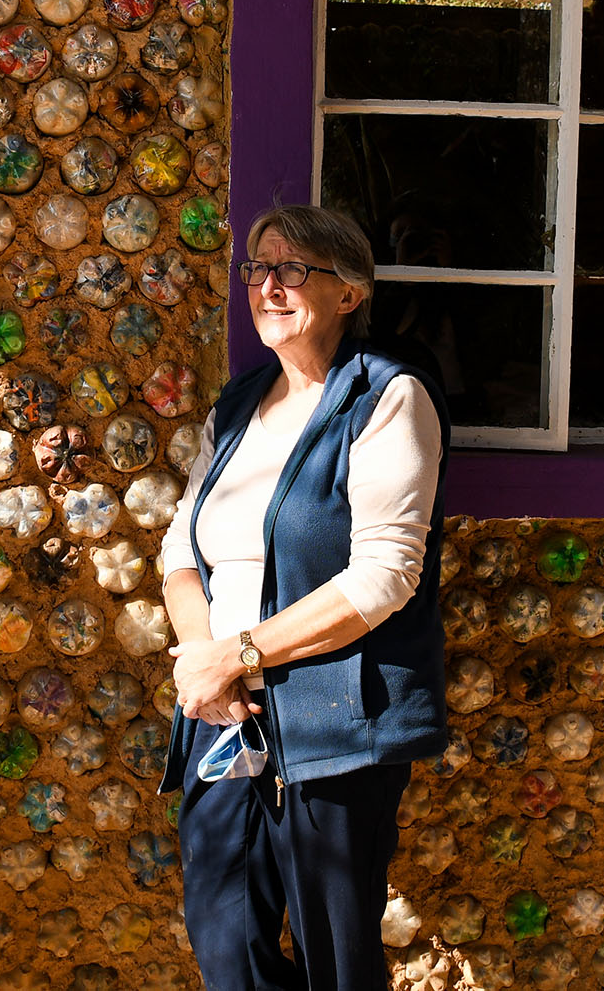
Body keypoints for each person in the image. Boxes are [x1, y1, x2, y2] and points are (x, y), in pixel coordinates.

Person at [159, 205, 451, 991]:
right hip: (224, 720)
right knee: (228, 947)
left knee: (337, 961)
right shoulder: (237, 406)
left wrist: (240, 653)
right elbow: (181, 550)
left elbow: (385, 574)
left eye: (295, 269)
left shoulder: (386, 398)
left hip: (333, 727)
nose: (269, 286)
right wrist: (203, 662)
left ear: (350, 293)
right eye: (258, 268)